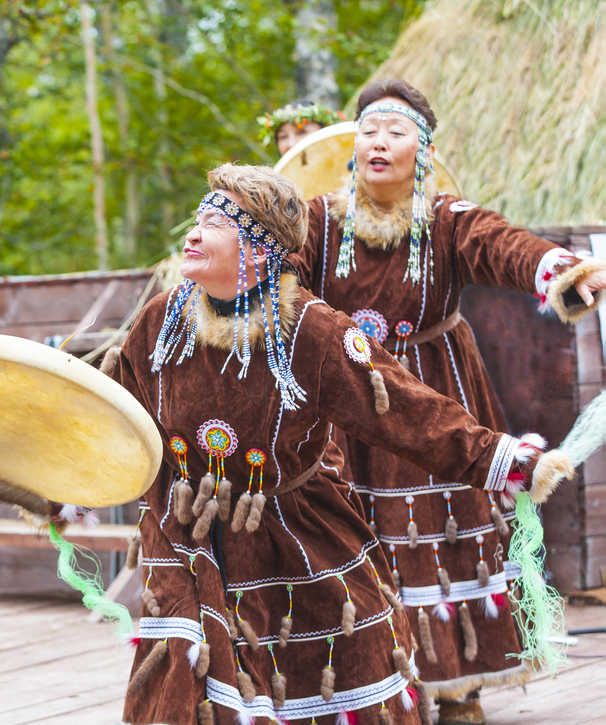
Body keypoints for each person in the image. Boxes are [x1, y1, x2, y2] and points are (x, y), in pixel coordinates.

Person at [108, 162, 568, 725]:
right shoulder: (161, 321)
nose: (194, 233)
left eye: (215, 222)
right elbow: (110, 412)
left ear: (259, 248)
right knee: (188, 683)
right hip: (186, 536)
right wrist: (61, 481)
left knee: (335, 673)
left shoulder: (315, 331)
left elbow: (405, 411)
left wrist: (500, 459)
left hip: (297, 534)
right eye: (198, 217)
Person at [291, 79, 606, 724]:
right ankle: (368, 689)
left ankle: (459, 689)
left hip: (436, 397)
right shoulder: (319, 222)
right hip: (346, 405)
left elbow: (506, 247)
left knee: (444, 535)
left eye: (395, 133)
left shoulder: (449, 221)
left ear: (423, 150)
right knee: (348, 539)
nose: (379, 143)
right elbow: (277, 280)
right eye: (369, 133)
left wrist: (564, 270)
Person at [258, 99, 346, 157]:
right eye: (283, 136)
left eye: (301, 132)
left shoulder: (354, 171)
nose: (291, 144)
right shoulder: (273, 183)